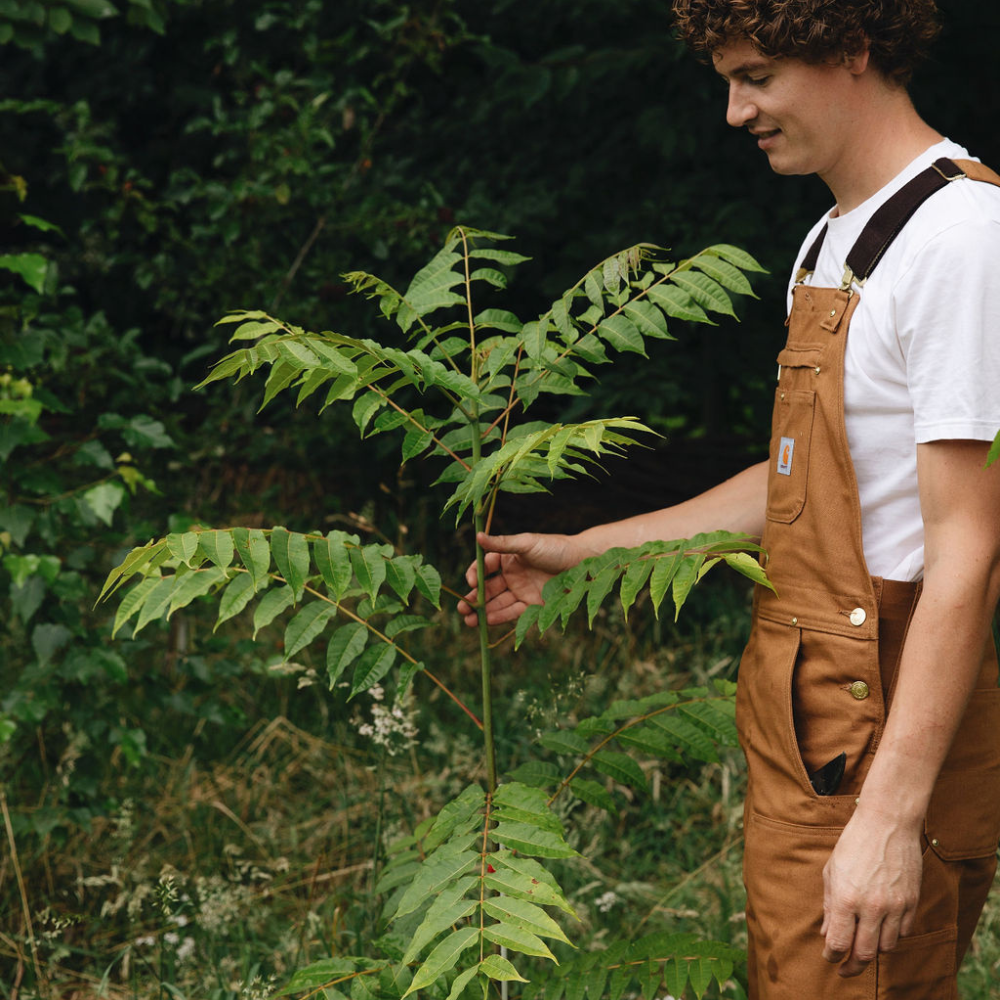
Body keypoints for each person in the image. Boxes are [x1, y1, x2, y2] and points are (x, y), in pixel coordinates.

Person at [458, 1, 1000, 996]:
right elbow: (796, 485)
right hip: (808, 726)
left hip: (870, 733)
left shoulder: (959, 239)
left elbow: (965, 550)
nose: (732, 111)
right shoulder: (831, 241)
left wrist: (886, 817)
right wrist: (582, 555)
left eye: (754, 77)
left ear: (849, 48)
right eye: (726, 80)